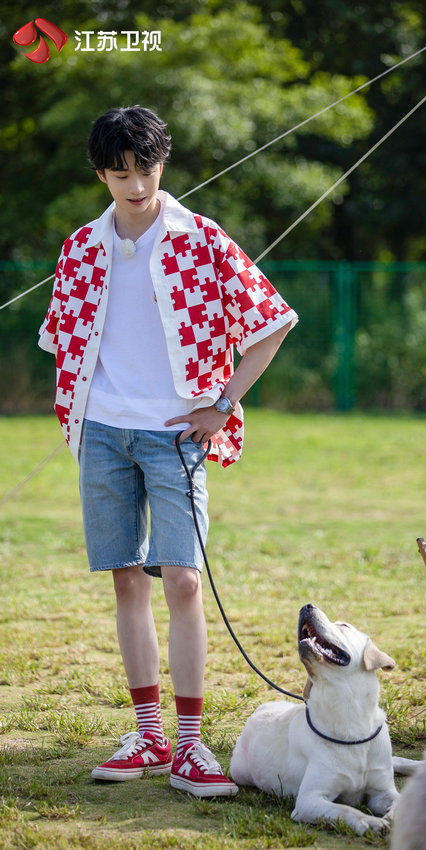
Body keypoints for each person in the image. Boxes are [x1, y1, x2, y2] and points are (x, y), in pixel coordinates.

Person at [39, 105, 298, 797]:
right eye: (119, 172)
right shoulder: (81, 247)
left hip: (177, 434)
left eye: (145, 169)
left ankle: (190, 745)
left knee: (182, 580)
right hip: (102, 433)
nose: (135, 184)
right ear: (100, 173)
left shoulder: (201, 239)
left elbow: (272, 322)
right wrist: (88, 409)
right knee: (127, 580)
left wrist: (222, 404)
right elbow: (62, 341)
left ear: (163, 164)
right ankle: (149, 736)